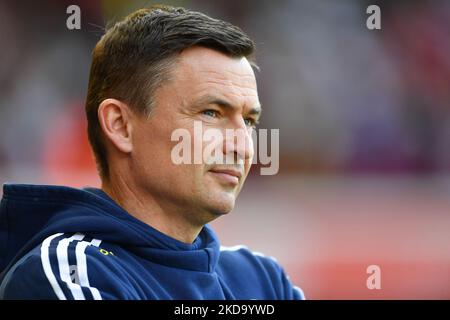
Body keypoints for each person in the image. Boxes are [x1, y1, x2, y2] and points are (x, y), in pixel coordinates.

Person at [0, 5, 304, 300]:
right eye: (211, 113)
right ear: (120, 126)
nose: (242, 146)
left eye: (249, 120)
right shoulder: (71, 274)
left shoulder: (262, 280)